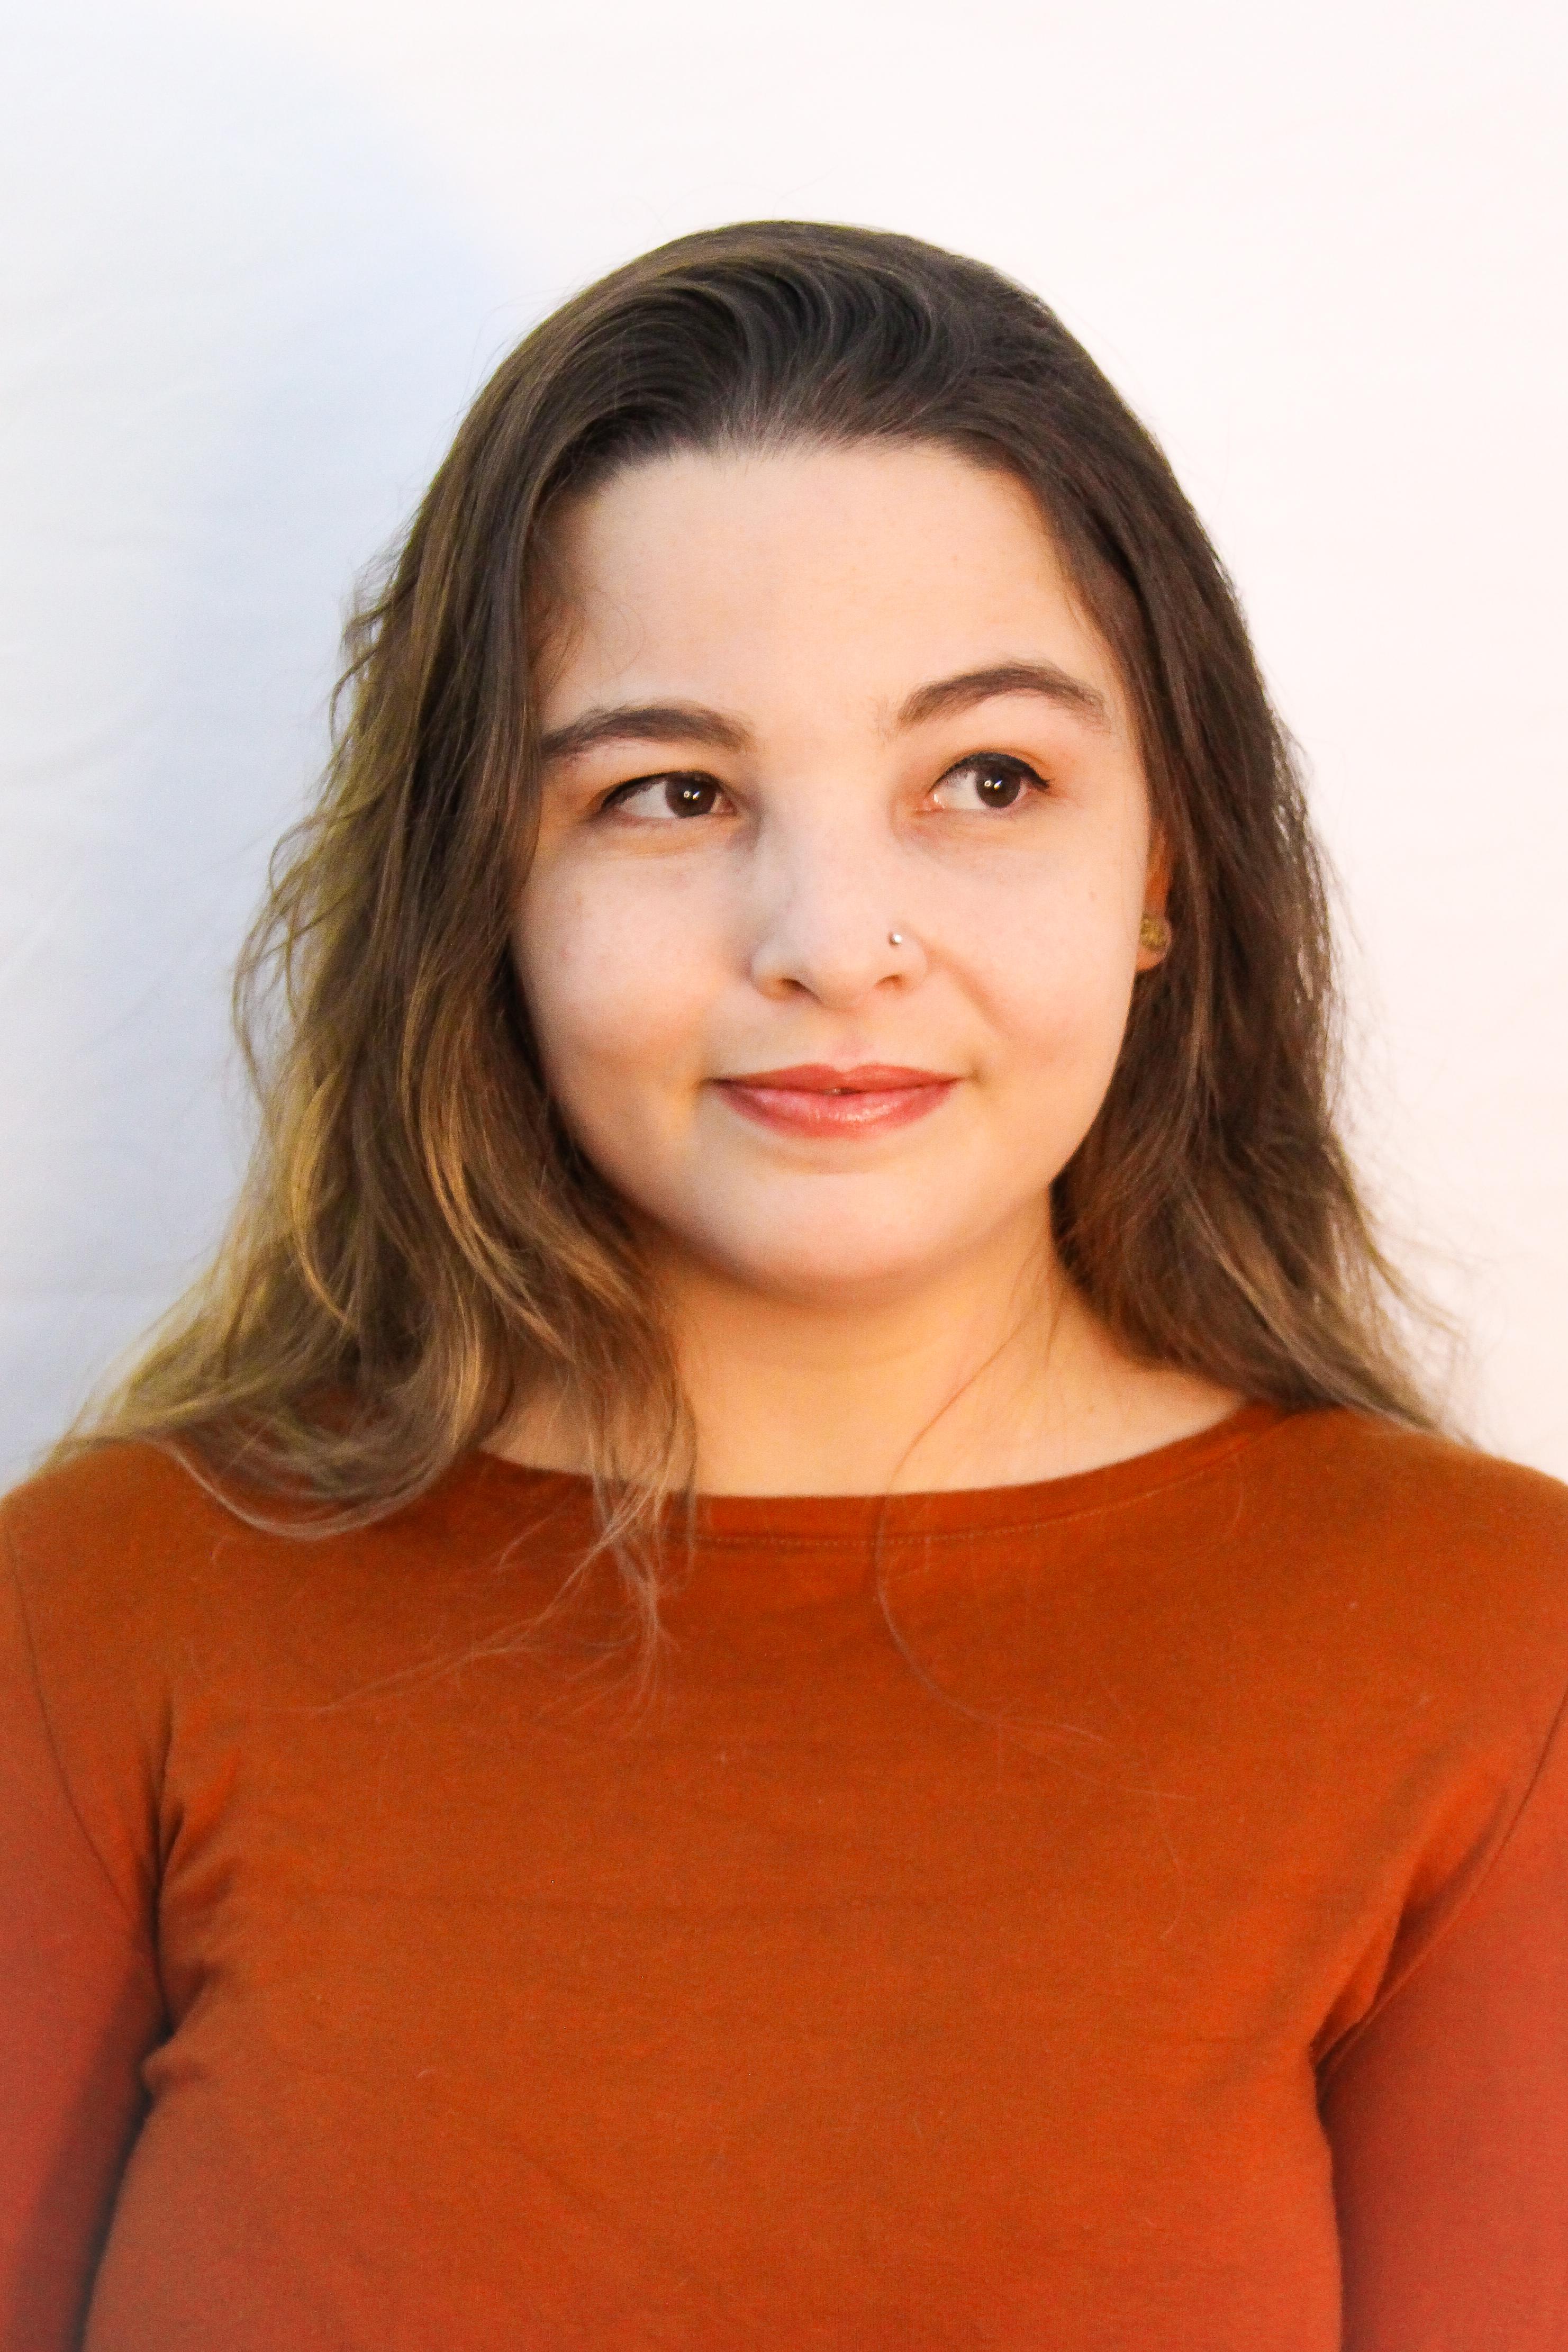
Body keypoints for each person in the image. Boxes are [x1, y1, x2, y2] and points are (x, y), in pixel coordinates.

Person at [1, 220, 1564, 2352]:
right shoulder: (97, 1619)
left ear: (1165, 868)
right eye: (671, 791)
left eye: (987, 780)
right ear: (484, 890)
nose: (831, 938)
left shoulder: (1486, 1659)